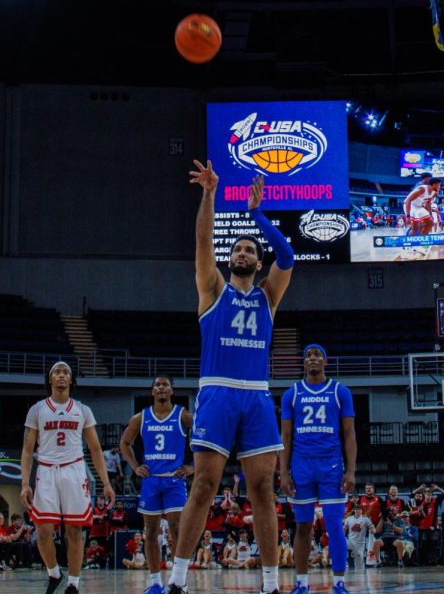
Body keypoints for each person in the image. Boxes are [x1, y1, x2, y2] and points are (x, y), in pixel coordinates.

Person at [169, 165, 295, 594]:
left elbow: (289, 257)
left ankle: (271, 583)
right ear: (230, 259)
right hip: (218, 392)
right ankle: (177, 580)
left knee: (262, 488)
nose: (241, 253)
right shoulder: (212, 290)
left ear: (258, 261)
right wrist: (210, 195)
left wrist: (258, 216)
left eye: (249, 250)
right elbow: (203, 241)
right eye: (237, 249)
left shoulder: (269, 296)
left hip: (257, 397)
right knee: (203, 485)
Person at [20, 361, 115, 594]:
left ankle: (73, 584)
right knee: (43, 529)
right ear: (50, 380)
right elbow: (27, 449)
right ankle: (54, 574)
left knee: (74, 530)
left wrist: (106, 482)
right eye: (57, 372)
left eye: (66, 373)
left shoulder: (82, 410)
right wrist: (24, 484)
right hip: (46, 470)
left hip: (74, 470)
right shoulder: (37, 409)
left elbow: (94, 448)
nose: (61, 375)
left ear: (71, 380)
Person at [280, 344, 355, 594]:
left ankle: (339, 583)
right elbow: (286, 437)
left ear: (326, 361)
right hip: (301, 466)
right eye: (308, 356)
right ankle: (301, 583)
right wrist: (283, 472)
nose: (312, 359)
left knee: (334, 526)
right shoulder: (292, 393)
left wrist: (351, 470)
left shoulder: (339, 391)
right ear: (304, 363)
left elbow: (348, 433)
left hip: (331, 466)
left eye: (317, 355)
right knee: (303, 527)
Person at [119, 375, 193, 594]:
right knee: (150, 532)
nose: (161, 388)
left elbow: (202, 438)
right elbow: (124, 443)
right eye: (157, 385)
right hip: (151, 480)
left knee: (176, 530)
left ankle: (180, 580)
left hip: (174, 480)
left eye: (165, 385)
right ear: (152, 391)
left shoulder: (184, 416)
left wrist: (193, 467)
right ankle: (155, 583)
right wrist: (134, 467)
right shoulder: (140, 418)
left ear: (172, 391)